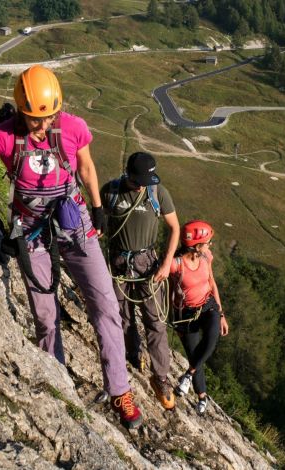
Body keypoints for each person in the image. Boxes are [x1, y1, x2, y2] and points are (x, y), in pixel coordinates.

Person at [0, 65, 142, 429]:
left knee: (105, 305)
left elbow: (85, 167)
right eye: (35, 119)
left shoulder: (72, 127)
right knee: (46, 316)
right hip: (32, 231)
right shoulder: (3, 136)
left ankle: (119, 390)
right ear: (21, 110)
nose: (43, 125)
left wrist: (97, 208)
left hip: (74, 222)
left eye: (49, 116)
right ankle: (58, 381)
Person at [101, 152, 180, 410]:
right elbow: (97, 223)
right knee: (122, 316)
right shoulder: (111, 192)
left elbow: (174, 228)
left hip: (148, 265)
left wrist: (167, 263)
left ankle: (161, 378)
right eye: (139, 180)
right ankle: (133, 356)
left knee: (155, 321)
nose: (143, 184)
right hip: (119, 264)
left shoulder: (157, 193)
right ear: (129, 174)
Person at [170, 220, 229, 415]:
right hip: (185, 314)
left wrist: (220, 314)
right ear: (196, 246)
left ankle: (188, 375)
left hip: (208, 306)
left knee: (211, 338)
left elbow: (212, 283)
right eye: (207, 242)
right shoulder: (176, 264)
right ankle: (202, 397)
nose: (210, 245)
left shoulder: (206, 258)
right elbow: (161, 278)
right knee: (195, 353)